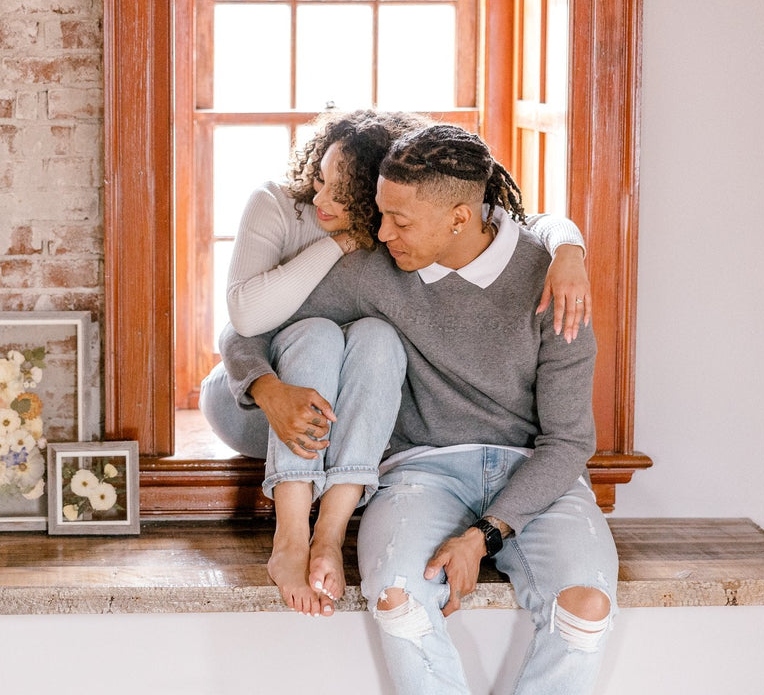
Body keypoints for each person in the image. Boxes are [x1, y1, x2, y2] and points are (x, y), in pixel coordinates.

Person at [219, 123, 617, 694]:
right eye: (381, 213)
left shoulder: (553, 280)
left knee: (586, 611)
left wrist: (485, 534)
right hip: (420, 472)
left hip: (536, 474)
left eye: (399, 220)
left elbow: (569, 442)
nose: (381, 233)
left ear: (459, 217)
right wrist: (266, 388)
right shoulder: (377, 269)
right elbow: (244, 329)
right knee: (399, 600)